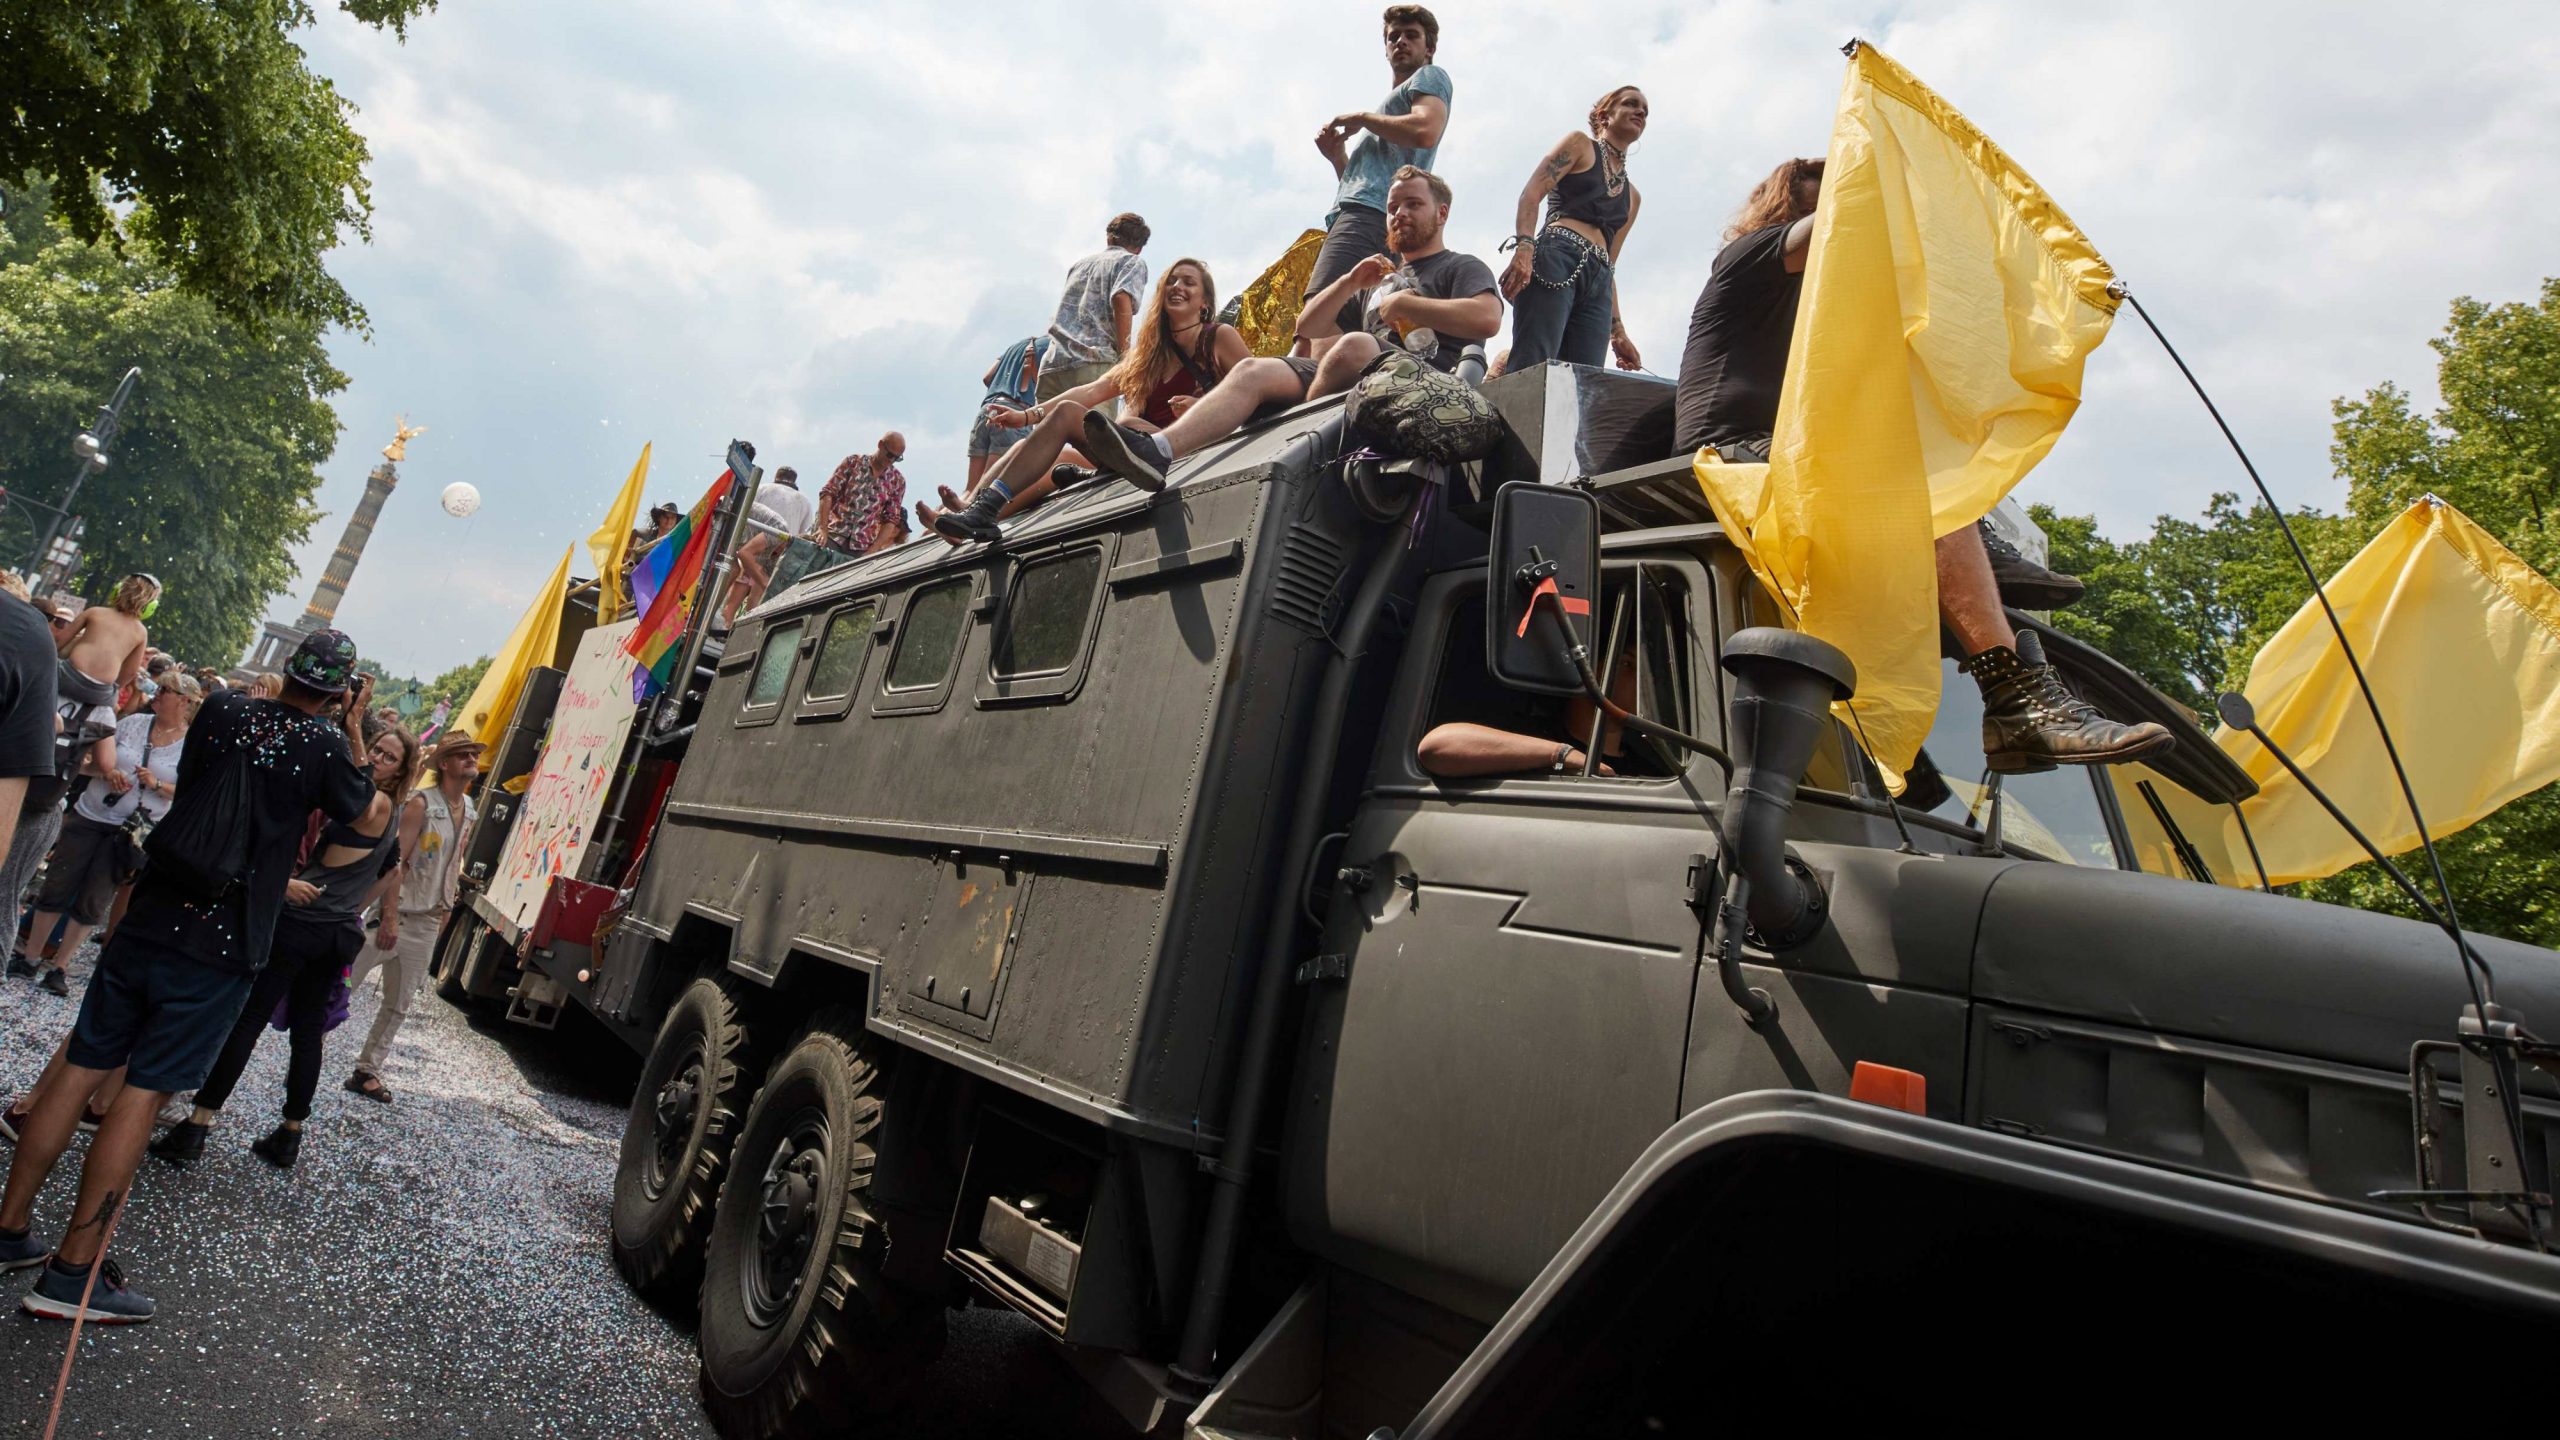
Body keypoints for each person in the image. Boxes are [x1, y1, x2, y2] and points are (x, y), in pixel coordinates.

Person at [1672, 159, 2164, 773]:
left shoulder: (1828, 320)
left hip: (1789, 454)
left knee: (1919, 443)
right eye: (1820, 204)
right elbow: (1842, 229)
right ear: (1785, 211)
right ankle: (2016, 702)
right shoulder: (1748, 257)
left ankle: (1980, 661)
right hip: (1730, 452)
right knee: (1913, 491)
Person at [0, 630, 374, 1324]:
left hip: (153, 910)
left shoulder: (224, 710)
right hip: (224, 937)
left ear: (287, 669)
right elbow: (360, 809)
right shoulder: (323, 747)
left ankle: (9, 1229)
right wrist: (351, 728)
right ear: (340, 689)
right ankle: (71, 1276)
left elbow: (200, 782)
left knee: (82, 1067)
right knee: (142, 1094)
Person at [1080, 166, 1499, 492]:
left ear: (1441, 213)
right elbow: (1310, 324)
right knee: (1251, 370)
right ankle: (1160, 450)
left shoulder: (1459, 267)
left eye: (1412, 204)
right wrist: (1351, 281)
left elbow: (1488, 318)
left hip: (1423, 383)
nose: (1399, 214)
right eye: (1392, 207)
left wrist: (1408, 305)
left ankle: (1302, 450)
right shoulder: (1380, 280)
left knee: (1352, 345)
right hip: (1347, 378)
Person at [152, 725, 419, 1169]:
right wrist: (351, 907)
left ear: (402, 770)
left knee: (250, 1019)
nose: (376, 758)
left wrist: (352, 729)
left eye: (389, 757)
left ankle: (197, 1124)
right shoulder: (391, 812)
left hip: (306, 924)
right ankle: (289, 1133)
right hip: (334, 930)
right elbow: (391, 870)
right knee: (307, 1030)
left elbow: (369, 825)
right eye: (376, 749)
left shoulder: (376, 803)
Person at [930, 259, 1248, 543]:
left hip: (1182, 454)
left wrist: (1201, 408)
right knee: (1028, 445)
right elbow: (1090, 392)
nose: (1177, 287)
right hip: (1132, 455)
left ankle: (981, 509)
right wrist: (1027, 417)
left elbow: (1251, 393)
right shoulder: (1147, 356)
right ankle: (975, 512)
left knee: (1078, 421)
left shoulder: (1218, 338)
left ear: (1205, 303)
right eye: (1172, 281)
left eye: (1188, 282)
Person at [13, 674, 192, 997]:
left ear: (185, 701)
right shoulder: (134, 722)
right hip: (92, 812)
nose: (158, 693)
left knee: (95, 897)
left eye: (167, 690)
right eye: (161, 687)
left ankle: (61, 966)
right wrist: (107, 770)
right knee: (58, 882)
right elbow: (94, 754)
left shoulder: (190, 745)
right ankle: (30, 957)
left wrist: (156, 785)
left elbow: (189, 795)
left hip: (129, 830)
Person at [343, 732, 481, 1104]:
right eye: (463, 754)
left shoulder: (469, 808)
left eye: (473, 753)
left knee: (400, 1003)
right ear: (445, 764)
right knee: (344, 987)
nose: (472, 758)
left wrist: (448, 908)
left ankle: (368, 1070)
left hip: (428, 918)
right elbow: (396, 863)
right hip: (396, 913)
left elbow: (455, 861)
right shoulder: (421, 804)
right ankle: (310, 1047)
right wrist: (388, 916)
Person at [1304, 7, 1452, 340]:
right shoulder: (1390, 109)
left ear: (1429, 48)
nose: (1400, 41)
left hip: (1368, 218)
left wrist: (1362, 117)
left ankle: (1301, 387)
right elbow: (1367, 185)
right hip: (1369, 216)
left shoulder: (1429, 77)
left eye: (1411, 35)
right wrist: (1338, 157)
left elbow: (1426, 129)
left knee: (1322, 315)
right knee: (1353, 319)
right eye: (1393, 36)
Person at [1500, 85, 1648, 372]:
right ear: (1604, 116)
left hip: (1599, 279)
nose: (1640, 111)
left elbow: (1612, 264)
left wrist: (1618, 330)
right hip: (1559, 254)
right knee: (1535, 361)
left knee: (1584, 381)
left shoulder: (1633, 197)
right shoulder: (1580, 145)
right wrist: (1525, 249)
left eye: (1645, 110)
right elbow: (1531, 193)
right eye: (1631, 104)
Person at [1040, 215, 1151, 410]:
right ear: (1140, 248)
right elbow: (1121, 297)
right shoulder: (1132, 262)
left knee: (1047, 437)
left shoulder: (1079, 265)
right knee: (1091, 437)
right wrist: (1126, 357)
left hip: (1052, 363)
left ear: (1109, 237)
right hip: (1093, 363)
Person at [54, 574, 156, 726]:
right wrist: (114, 688)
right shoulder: (140, 632)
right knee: (105, 718)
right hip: (99, 692)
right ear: (149, 606)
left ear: (117, 591)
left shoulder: (95, 612)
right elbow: (130, 671)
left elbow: (59, 641)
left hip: (68, 676)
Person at [723, 467, 817, 623]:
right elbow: (802, 530)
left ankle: (732, 623)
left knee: (749, 580)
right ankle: (730, 622)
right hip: (765, 541)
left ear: (777, 476)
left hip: (767, 545)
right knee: (754, 581)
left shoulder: (763, 489)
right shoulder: (804, 501)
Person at [970, 336, 1048, 490]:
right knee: (988, 487)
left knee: (970, 488)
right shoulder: (1049, 347)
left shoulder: (1015, 346)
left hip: (987, 410)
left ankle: (941, 513)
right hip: (1012, 414)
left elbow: (987, 378)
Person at [815, 437, 911, 557]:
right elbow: (828, 493)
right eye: (889, 455)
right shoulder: (853, 462)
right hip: (834, 534)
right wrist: (822, 528)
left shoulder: (897, 481)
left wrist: (874, 549)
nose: (891, 460)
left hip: (862, 546)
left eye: (897, 458)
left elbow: (891, 519)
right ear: (880, 445)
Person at [618, 502, 683, 611]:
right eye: (666, 516)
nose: (669, 520)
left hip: (655, 595)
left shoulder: (675, 546)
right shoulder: (640, 534)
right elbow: (624, 562)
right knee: (622, 620)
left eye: (672, 517)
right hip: (631, 587)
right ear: (659, 518)